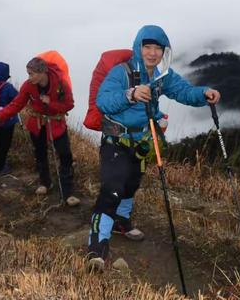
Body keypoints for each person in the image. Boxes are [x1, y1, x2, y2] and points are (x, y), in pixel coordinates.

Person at [87, 25, 221, 271]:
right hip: (115, 141)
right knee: (112, 189)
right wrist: (131, 94)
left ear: (164, 52)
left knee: (132, 183)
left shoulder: (162, 77)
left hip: (142, 142)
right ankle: (96, 249)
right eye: (147, 47)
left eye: (157, 48)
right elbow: (103, 101)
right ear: (138, 48)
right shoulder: (121, 73)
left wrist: (205, 93)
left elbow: (184, 92)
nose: (152, 53)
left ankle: (121, 222)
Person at [0, 57, 80, 206]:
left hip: (56, 124)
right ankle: (45, 183)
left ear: (42, 72)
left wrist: (51, 103)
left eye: (31, 74)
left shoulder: (61, 83)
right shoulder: (28, 85)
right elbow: (16, 105)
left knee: (65, 155)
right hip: (37, 124)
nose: (29, 77)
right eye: (28, 73)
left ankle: (67, 192)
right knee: (40, 153)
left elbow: (69, 104)